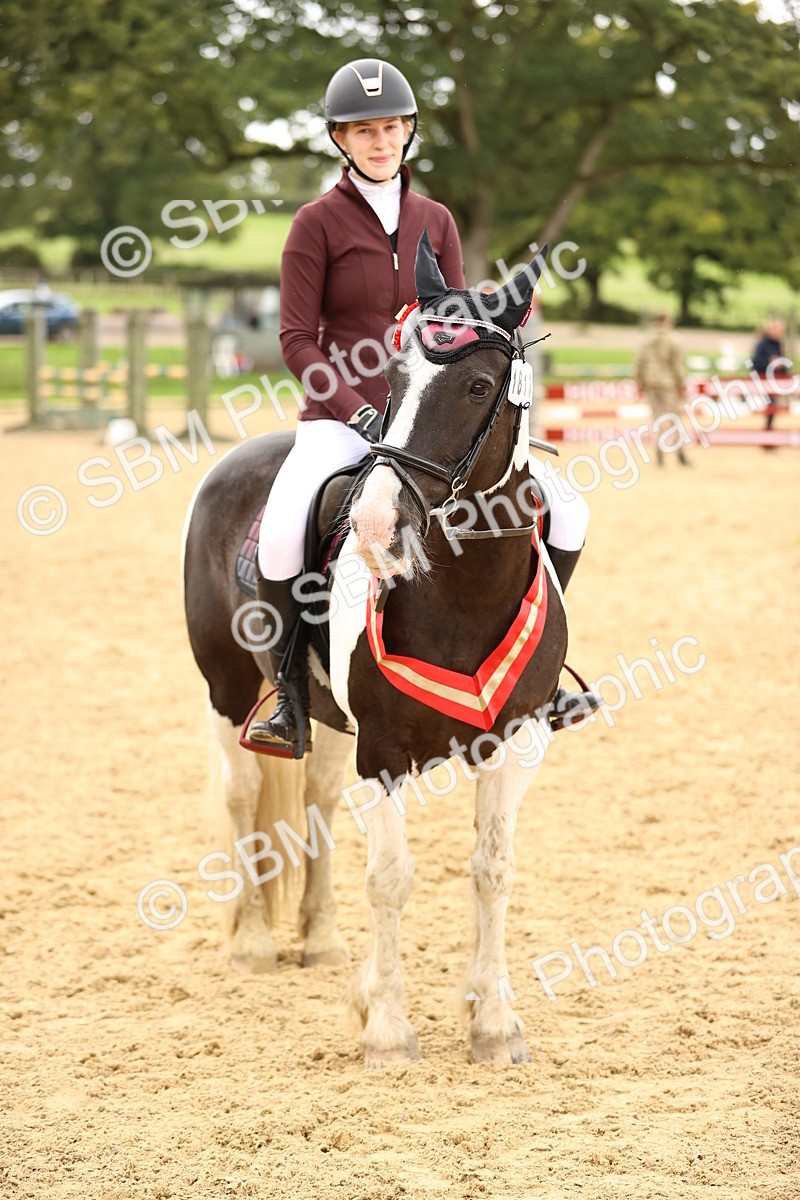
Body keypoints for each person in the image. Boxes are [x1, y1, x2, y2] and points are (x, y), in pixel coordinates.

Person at [251, 58, 599, 754]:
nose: (380, 142)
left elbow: (461, 328)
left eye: (391, 128)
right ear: (339, 140)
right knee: (289, 526)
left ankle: (543, 668)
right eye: (364, 131)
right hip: (341, 421)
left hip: (432, 425)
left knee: (567, 510)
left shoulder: (434, 218)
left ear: (409, 131)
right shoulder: (314, 224)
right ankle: (290, 691)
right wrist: (354, 411)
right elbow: (295, 339)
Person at [634, 312, 691, 467]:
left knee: (657, 419)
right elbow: (678, 366)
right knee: (674, 420)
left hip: (651, 383)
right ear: (666, 321)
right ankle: (680, 455)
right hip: (668, 384)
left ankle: (659, 457)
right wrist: (681, 385)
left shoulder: (646, 339)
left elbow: (639, 362)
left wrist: (639, 381)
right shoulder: (673, 339)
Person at [752, 317, 788, 443]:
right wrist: (770, 362)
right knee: (771, 406)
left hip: (774, 381)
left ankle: (769, 433)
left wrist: (781, 366)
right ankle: (767, 434)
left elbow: (784, 364)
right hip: (763, 380)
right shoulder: (763, 344)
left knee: (772, 407)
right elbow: (756, 363)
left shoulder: (778, 344)